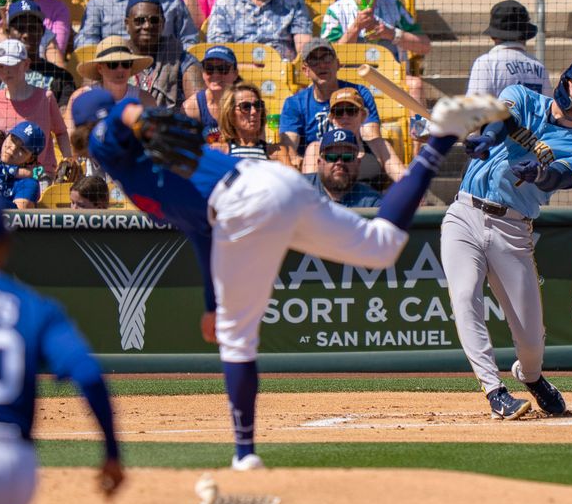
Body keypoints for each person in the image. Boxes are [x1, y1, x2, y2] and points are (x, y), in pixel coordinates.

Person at [70, 85, 509, 467]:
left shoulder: (108, 137)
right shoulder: (137, 173)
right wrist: (211, 305)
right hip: (265, 188)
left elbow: (117, 118)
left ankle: (244, 456)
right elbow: (201, 232)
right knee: (381, 246)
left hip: (242, 203)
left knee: (238, 338)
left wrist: (135, 116)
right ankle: (440, 139)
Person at [0, 189, 123, 504]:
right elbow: (87, 373)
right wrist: (112, 453)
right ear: (5, 245)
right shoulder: (33, 306)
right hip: (16, 468)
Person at [443, 58, 572, 419]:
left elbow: (561, 178)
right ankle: (494, 389)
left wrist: (540, 173)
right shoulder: (523, 95)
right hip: (465, 214)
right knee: (465, 295)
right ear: (564, 82)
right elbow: (503, 121)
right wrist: (485, 139)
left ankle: (530, 376)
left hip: (513, 229)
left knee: (531, 337)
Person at [320, 0, 432, 103]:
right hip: (349, 84)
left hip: (391, 81)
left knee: (416, 84)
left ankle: (417, 128)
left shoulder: (394, 6)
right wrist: (355, 28)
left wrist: (391, 34)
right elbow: (326, 60)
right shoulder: (336, 11)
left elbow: (425, 46)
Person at [278, 39, 398, 178]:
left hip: (354, 158)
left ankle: (411, 193)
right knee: (314, 148)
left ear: (338, 64)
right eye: (314, 61)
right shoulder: (295, 103)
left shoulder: (359, 92)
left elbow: (371, 136)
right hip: (318, 166)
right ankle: (314, 196)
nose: (322, 65)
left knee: (381, 145)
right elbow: (289, 149)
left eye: (327, 58)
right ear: (305, 70)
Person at [0, 39, 70, 176]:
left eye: (11, 64)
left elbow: (61, 132)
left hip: (40, 175)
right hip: (2, 176)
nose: (6, 71)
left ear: (26, 64)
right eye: (0, 66)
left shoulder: (46, 98)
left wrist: (67, 160)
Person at [0, 0, 77, 112]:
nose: (26, 34)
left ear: (42, 31)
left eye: (32, 28)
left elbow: (66, 116)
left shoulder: (61, 77)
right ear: (8, 32)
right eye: (20, 28)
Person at [124, 0, 204, 110]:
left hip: (168, 124)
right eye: (140, 20)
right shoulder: (116, 58)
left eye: (154, 20)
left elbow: (200, 106)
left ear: (163, 24)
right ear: (127, 24)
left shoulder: (180, 57)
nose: (147, 26)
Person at [300, 86, 394, 185]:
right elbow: (308, 190)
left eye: (351, 110)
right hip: (330, 200)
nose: (345, 116)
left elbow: (403, 177)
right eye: (339, 112)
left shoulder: (379, 146)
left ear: (363, 115)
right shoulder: (316, 149)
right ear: (332, 118)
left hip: (373, 199)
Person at [66, 36, 158, 129]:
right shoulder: (80, 97)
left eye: (126, 63)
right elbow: (71, 137)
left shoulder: (145, 99)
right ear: (100, 68)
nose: (120, 69)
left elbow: (155, 138)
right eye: (113, 64)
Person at [466, 0, 548, 97]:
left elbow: (477, 106)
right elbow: (548, 109)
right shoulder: (539, 66)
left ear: (493, 36)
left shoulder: (486, 63)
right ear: (526, 35)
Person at [307, 127, 383, 206]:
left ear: (358, 163)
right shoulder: (300, 188)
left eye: (347, 157)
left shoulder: (372, 202)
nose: (340, 162)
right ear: (319, 163)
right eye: (332, 157)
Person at [209, 82, 283, 161]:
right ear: (231, 114)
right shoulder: (219, 151)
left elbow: (292, 173)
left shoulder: (276, 152)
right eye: (245, 107)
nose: (254, 111)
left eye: (258, 105)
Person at [182, 45, 240, 140]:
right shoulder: (191, 107)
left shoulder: (248, 104)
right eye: (209, 68)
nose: (215, 74)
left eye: (223, 68)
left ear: (235, 74)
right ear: (203, 73)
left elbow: (258, 145)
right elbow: (188, 148)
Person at [0, 120, 46, 210]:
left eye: (22, 149)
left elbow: (18, 218)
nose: (13, 149)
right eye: (13, 140)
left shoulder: (28, 184)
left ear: (31, 158)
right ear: (7, 136)